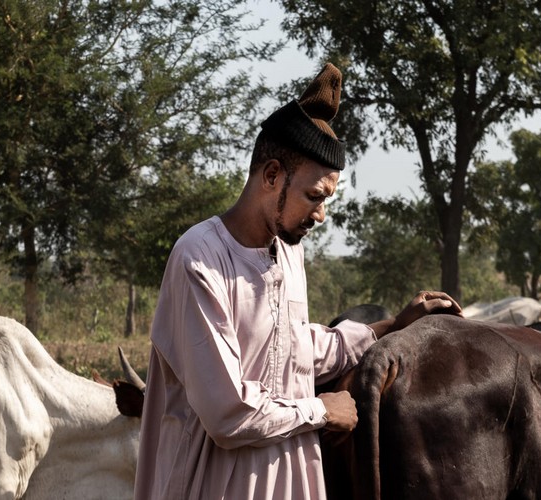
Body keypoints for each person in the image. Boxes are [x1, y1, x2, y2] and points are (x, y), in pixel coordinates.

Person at [134, 63, 462, 500]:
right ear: (272, 176)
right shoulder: (200, 258)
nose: (322, 215)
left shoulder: (288, 251)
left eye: (327, 199)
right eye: (315, 196)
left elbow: (293, 350)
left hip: (292, 479)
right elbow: (226, 412)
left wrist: (389, 327)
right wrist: (322, 411)